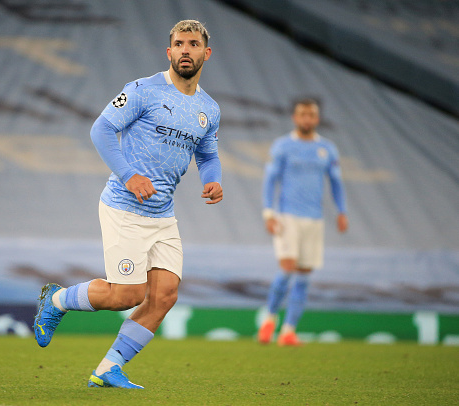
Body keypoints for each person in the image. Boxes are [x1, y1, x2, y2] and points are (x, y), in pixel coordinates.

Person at [33, 20, 223, 389]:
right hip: (124, 207)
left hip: (162, 214)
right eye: (179, 44)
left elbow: (208, 154)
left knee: (164, 296)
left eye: (193, 44)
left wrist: (212, 180)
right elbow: (101, 129)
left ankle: (108, 369)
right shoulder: (142, 90)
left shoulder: (209, 109)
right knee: (127, 296)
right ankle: (56, 300)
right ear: (169, 52)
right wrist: (129, 175)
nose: (186, 50)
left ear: (206, 52)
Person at [258, 98, 348, 346]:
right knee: (287, 270)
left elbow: (336, 182)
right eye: (302, 115)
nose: (307, 119)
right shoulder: (283, 146)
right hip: (287, 216)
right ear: (295, 118)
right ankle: (269, 318)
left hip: (314, 220)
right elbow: (270, 180)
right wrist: (268, 213)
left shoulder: (327, 149)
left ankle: (288, 331)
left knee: (304, 277)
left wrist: (342, 211)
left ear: (316, 119)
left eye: (311, 115)